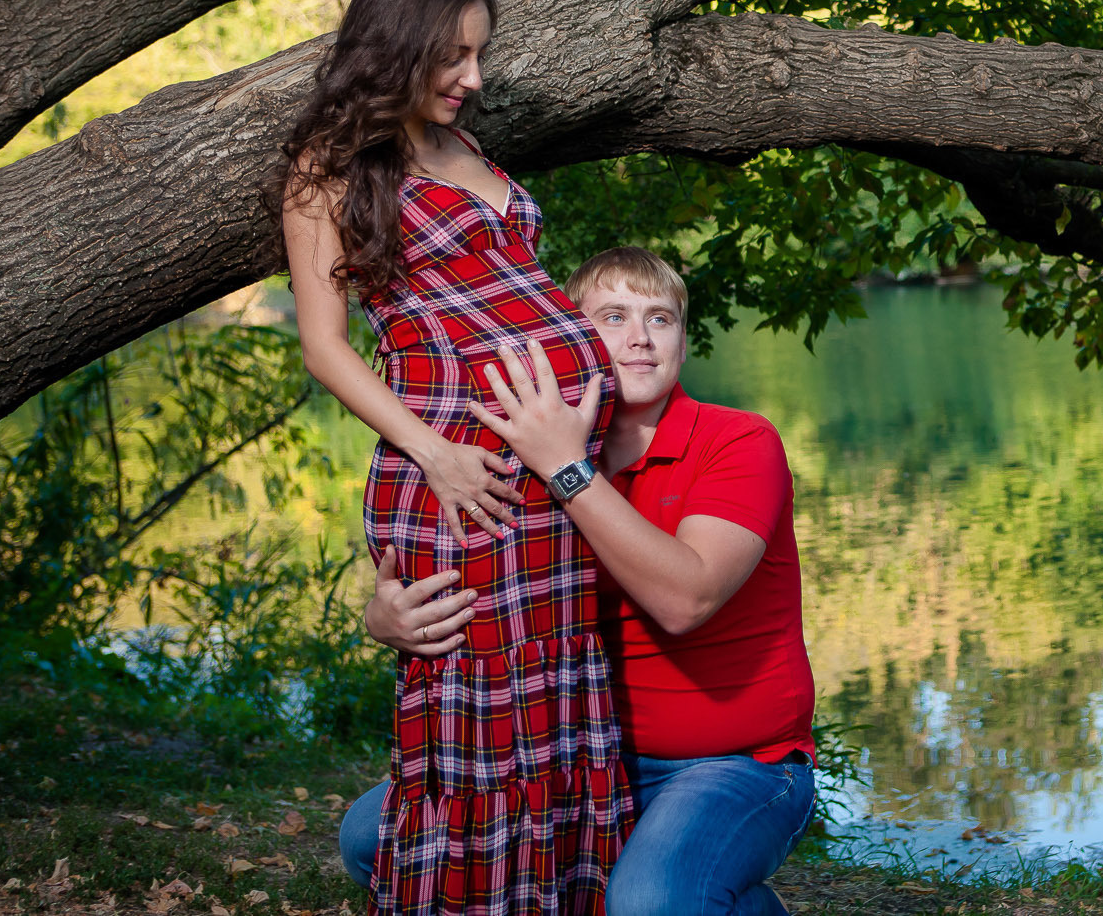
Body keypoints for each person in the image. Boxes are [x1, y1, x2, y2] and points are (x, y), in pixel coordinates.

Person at [273, 0, 625, 916]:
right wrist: (432, 450)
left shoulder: (465, 150)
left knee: (555, 708)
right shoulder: (330, 166)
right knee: (476, 730)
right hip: (457, 476)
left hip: (549, 480)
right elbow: (324, 347)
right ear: (398, 47)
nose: (474, 78)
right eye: (455, 57)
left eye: (479, 55)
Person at [342, 247, 818, 916]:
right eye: (613, 316)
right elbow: (480, 596)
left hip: (737, 764)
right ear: (568, 336)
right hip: (576, 743)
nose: (640, 337)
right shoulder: (530, 457)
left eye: (662, 318)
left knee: (651, 902)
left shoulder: (738, 441)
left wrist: (567, 468)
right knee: (369, 837)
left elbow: (686, 598)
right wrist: (384, 619)